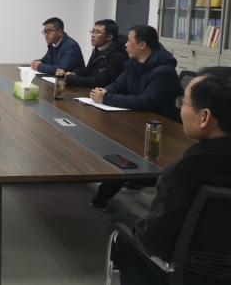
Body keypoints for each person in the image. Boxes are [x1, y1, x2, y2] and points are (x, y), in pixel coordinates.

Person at [110, 67, 231, 285]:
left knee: (121, 221)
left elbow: (152, 242)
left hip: (188, 275)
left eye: (183, 103)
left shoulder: (184, 173)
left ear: (204, 117)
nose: (180, 109)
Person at [90, 25, 183, 210]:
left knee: (123, 147)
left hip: (163, 128)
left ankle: (105, 193)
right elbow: (118, 85)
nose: (125, 45)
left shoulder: (164, 71)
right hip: (139, 119)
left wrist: (106, 98)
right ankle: (140, 179)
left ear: (142, 45)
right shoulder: (134, 64)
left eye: (129, 41)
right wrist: (103, 91)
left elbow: (146, 101)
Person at [57, 19, 128, 88]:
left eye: (97, 32)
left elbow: (100, 82)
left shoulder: (118, 56)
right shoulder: (97, 49)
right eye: (93, 31)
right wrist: (74, 73)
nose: (93, 35)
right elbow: (89, 69)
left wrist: (69, 79)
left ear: (109, 37)